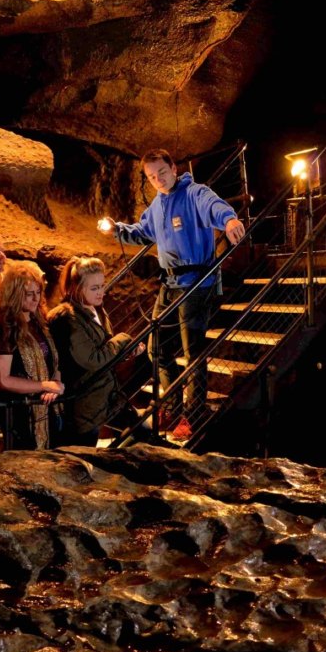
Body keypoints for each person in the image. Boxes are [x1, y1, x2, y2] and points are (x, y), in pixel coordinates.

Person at [112, 149, 246, 440]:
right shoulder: (157, 205)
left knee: (193, 353)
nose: (158, 180)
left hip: (197, 282)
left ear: (173, 167)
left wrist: (229, 220)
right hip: (170, 284)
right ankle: (172, 406)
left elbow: (214, 206)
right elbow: (142, 232)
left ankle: (193, 415)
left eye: (161, 172)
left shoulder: (194, 193)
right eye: (151, 177)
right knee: (155, 348)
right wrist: (117, 229)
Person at [48, 256, 141, 447]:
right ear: (77, 288)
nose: (101, 292)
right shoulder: (68, 317)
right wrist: (123, 339)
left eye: (102, 285)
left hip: (106, 394)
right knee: (83, 456)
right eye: (94, 288)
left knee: (142, 429)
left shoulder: (96, 310)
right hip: (85, 402)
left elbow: (106, 349)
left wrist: (126, 352)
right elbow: (93, 358)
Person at [0, 261, 63, 450]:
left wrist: (54, 385)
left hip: (48, 411)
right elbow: (2, 379)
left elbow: (54, 364)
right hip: (21, 416)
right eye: (29, 294)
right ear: (14, 294)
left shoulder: (40, 323)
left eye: (38, 293)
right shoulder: (5, 328)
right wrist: (42, 385)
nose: (35, 299)